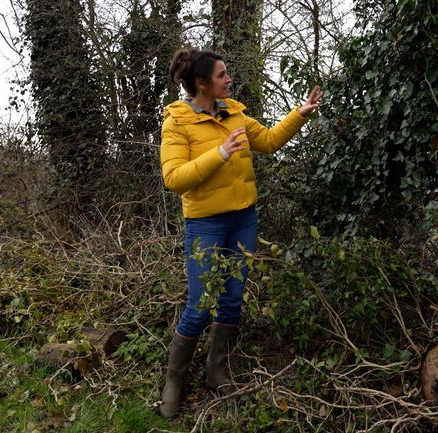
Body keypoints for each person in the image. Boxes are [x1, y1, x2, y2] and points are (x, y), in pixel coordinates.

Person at [158, 46, 322, 418]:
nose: (229, 79)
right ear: (201, 84)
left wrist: (299, 115)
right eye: (221, 75)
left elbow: (268, 141)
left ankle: (216, 370)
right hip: (205, 223)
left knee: (232, 299)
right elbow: (173, 178)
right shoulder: (177, 121)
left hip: (243, 219)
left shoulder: (235, 113)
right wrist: (220, 154)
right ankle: (174, 379)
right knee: (200, 305)